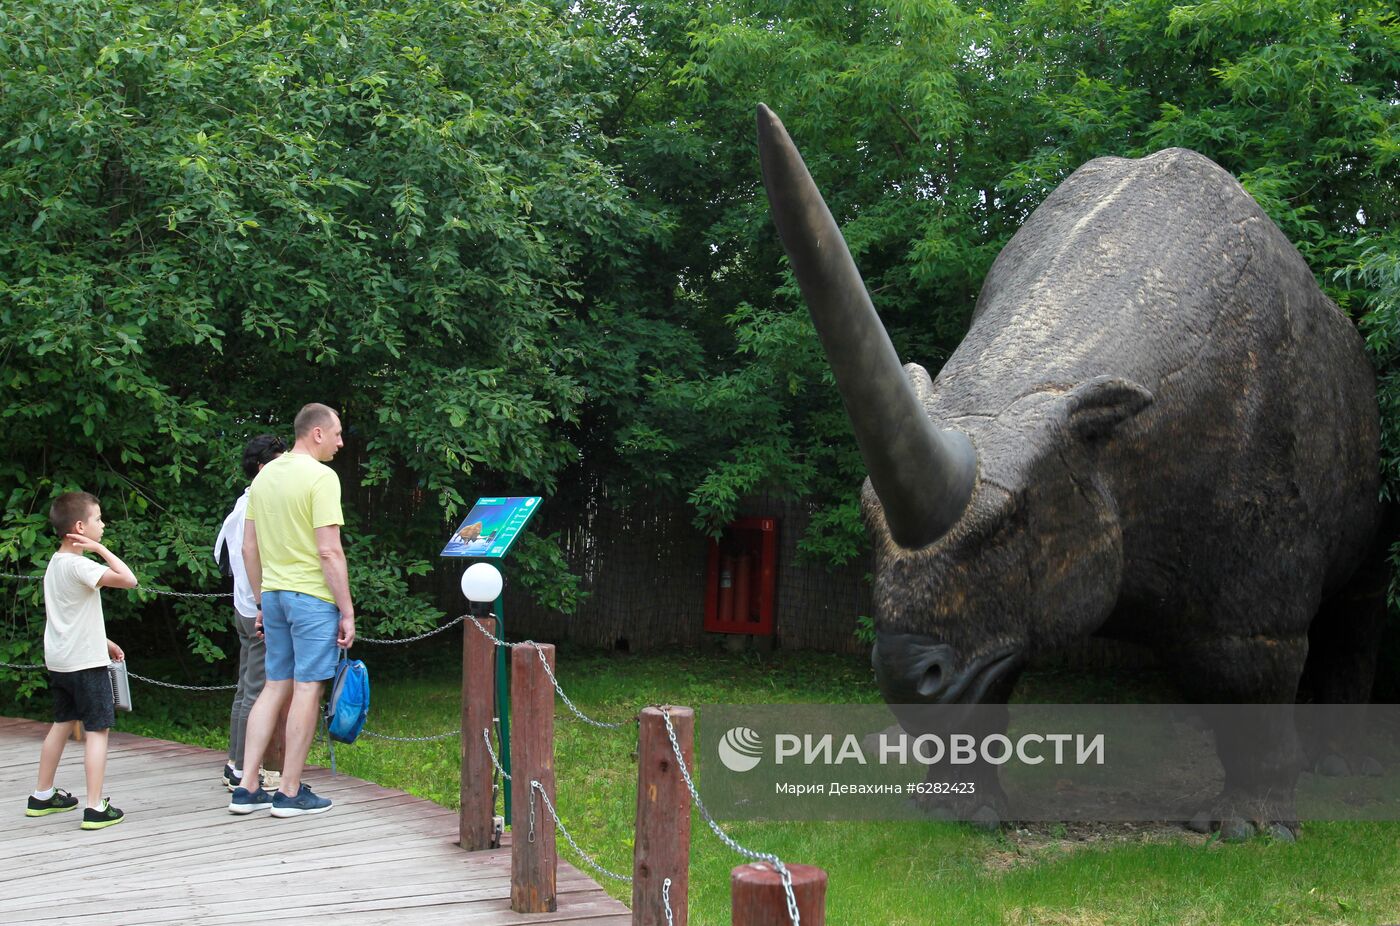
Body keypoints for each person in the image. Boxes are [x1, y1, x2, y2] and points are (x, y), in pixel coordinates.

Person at [229, 403, 355, 818]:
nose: (340, 442)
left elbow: (250, 547)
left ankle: (246, 786)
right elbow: (329, 551)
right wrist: (347, 610)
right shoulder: (321, 477)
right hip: (312, 599)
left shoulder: (265, 478)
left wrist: (262, 600)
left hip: (276, 595)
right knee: (306, 687)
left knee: (274, 685)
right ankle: (288, 790)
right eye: (336, 434)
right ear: (316, 433)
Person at [27, 491, 137, 830]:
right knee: (98, 730)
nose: (102, 525)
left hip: (61, 659)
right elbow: (129, 580)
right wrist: (101, 551)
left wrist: (103, 641)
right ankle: (94, 807)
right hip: (85, 665)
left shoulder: (56, 563)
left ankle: (42, 795)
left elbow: (68, 613)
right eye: (98, 519)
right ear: (80, 526)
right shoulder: (80, 564)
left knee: (62, 722)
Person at [213, 434, 287, 792]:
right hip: (256, 608)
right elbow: (246, 553)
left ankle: (234, 761)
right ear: (262, 467)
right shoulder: (254, 506)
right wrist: (261, 604)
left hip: (243, 605)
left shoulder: (239, 506)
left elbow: (219, 557)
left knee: (246, 687)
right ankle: (243, 768)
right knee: (256, 690)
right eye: (278, 461)